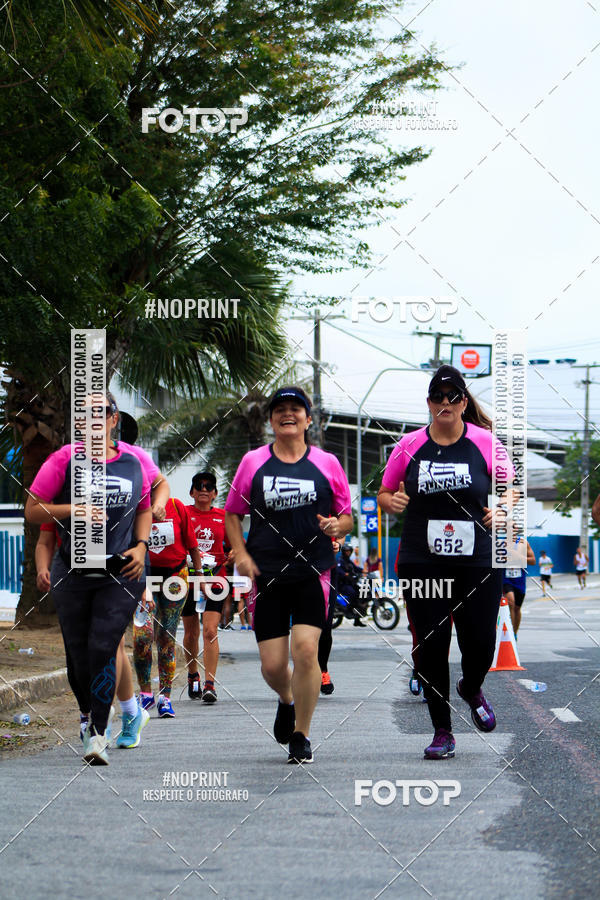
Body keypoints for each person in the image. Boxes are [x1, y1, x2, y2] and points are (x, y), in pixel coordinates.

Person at [378, 364, 514, 760]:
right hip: (423, 559)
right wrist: (393, 503)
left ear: (464, 402)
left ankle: (471, 687)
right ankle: (442, 731)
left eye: (453, 396)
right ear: (429, 403)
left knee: (481, 643)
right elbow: (385, 494)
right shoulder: (409, 445)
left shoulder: (487, 443)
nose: (445, 403)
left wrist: (501, 510)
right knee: (432, 643)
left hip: (477, 559)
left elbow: (510, 491)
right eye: (438, 397)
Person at [225, 386, 352, 763]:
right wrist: (243, 555)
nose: (288, 414)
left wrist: (336, 527)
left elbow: (347, 516)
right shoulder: (252, 462)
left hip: (313, 570)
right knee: (273, 666)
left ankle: (302, 733)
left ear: (308, 419)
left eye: (296, 409)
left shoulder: (327, 463)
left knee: (307, 651)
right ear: (271, 421)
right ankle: (286, 698)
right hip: (267, 573)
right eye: (280, 409)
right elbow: (233, 513)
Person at [26, 393, 152, 765]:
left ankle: (98, 731)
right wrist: (74, 509)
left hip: (121, 571)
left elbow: (145, 506)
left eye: (104, 413)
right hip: (73, 570)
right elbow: (33, 510)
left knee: (103, 644)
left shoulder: (133, 461)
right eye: (87, 414)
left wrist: (142, 546)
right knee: (78, 655)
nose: (96, 419)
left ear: (115, 419)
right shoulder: (63, 459)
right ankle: (89, 717)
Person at [133, 497, 202, 717]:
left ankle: (165, 697)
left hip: (175, 575)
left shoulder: (175, 506)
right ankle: (145, 695)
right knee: (142, 637)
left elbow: (192, 544)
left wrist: (199, 576)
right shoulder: (134, 505)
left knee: (166, 637)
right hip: (143, 576)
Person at [181, 471, 231, 703]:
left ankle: (209, 683)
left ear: (215, 494)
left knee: (210, 631)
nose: (204, 489)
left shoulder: (223, 517)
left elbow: (235, 546)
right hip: (186, 580)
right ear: (191, 491)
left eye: (209, 486)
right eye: (199, 485)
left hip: (216, 579)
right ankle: (193, 674)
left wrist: (233, 554)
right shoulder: (183, 513)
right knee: (191, 633)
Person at [502, 537, 536, 636]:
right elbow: (496, 559)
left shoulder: (524, 543)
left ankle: (515, 633)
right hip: (506, 579)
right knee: (511, 602)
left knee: (517, 608)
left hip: (519, 580)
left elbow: (533, 561)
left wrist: (518, 557)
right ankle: (510, 633)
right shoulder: (501, 543)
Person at [337, 543, 367, 627]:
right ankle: (349, 610)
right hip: (342, 585)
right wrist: (345, 574)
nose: (348, 553)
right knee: (353, 593)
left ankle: (357, 619)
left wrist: (365, 571)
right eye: (346, 551)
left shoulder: (349, 561)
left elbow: (356, 568)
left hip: (351, 583)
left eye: (349, 551)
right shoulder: (340, 561)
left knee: (360, 593)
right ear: (343, 552)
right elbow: (339, 570)